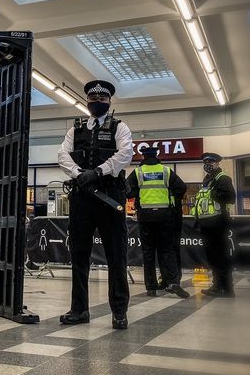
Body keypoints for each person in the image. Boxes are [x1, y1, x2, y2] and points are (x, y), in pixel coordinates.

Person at [57, 80, 134, 330]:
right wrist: (79, 173)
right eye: (93, 99)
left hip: (110, 197)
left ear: (109, 102)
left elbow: (125, 154)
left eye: (102, 100)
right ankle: (79, 310)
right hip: (82, 198)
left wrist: (98, 172)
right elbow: (62, 155)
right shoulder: (75, 129)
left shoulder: (120, 127)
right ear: (87, 101)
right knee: (78, 256)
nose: (97, 103)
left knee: (116, 256)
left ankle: (119, 312)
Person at [127, 146, 189, 298]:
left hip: (146, 217)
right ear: (156, 156)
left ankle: (151, 287)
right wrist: (171, 198)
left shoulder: (137, 172)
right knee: (166, 250)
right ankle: (172, 282)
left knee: (148, 252)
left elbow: (127, 191)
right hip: (165, 216)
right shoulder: (166, 171)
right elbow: (182, 187)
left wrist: (139, 196)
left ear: (143, 157)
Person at [193, 152, 237, 298]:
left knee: (220, 256)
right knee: (212, 257)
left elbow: (231, 197)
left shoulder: (222, 178)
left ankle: (226, 287)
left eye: (211, 162)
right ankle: (218, 285)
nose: (208, 165)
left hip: (219, 223)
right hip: (207, 224)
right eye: (206, 162)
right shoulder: (207, 179)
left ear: (217, 163)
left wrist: (214, 194)